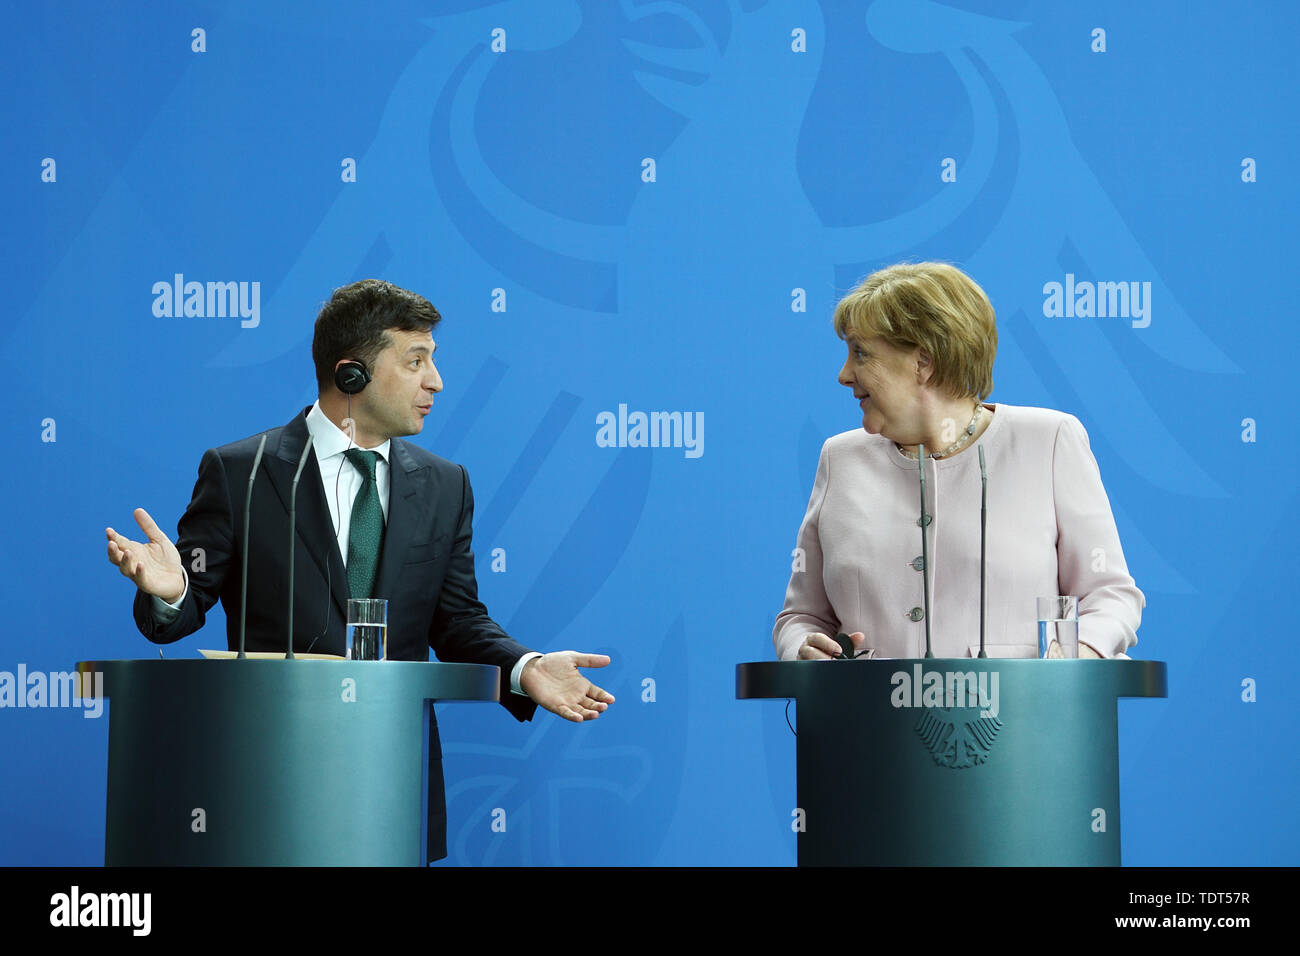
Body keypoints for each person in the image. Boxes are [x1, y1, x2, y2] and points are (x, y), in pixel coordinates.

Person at [105, 278, 614, 862]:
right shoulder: (242, 472)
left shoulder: (447, 485)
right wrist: (173, 592)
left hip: (391, 784)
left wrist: (525, 667)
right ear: (352, 373)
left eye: (433, 361)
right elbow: (179, 614)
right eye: (415, 361)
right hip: (264, 781)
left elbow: (457, 620)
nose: (436, 382)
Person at [773, 262, 1144, 661]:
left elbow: (1110, 595)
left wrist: (1077, 657)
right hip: (867, 720)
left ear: (923, 361)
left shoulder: (1049, 441)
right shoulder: (839, 458)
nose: (844, 374)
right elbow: (802, 616)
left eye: (861, 354)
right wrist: (802, 647)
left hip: (1019, 717)